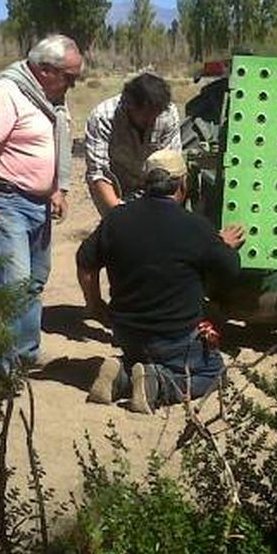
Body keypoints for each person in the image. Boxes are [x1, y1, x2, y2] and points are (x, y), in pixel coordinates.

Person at [76, 149, 245, 413]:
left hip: (126, 334)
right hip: (175, 338)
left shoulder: (116, 219)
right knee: (215, 372)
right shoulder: (195, 226)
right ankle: (159, 383)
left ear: (146, 183)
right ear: (183, 184)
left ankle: (122, 375)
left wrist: (95, 304)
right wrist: (220, 244)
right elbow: (231, 271)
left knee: (139, 357)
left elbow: (85, 262)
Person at [0, 34, 83, 367]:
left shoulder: (49, 97)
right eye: (69, 78)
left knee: (33, 283)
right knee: (12, 288)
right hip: (7, 203)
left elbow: (47, 147)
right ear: (45, 69)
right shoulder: (7, 92)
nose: (72, 86)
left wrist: (56, 188)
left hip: (38, 204)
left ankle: (25, 354)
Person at [84, 72, 181, 217]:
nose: (152, 120)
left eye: (156, 114)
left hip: (153, 187)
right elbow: (99, 172)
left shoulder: (167, 114)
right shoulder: (102, 118)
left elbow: (171, 168)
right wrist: (120, 217)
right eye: (146, 115)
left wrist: (166, 212)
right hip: (116, 186)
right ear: (129, 105)